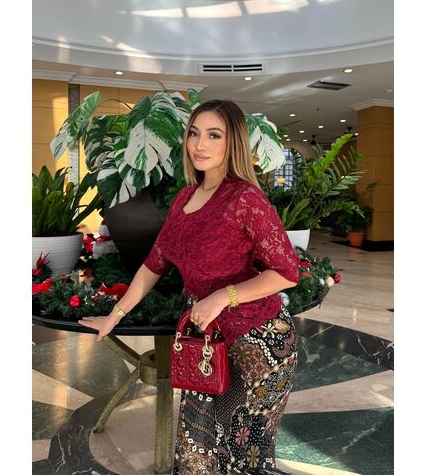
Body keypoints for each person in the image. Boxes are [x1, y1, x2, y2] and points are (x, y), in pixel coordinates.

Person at [79, 99, 300, 474]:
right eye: (194, 133)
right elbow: (154, 264)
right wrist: (114, 316)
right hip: (206, 343)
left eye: (214, 135)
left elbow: (287, 272)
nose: (199, 144)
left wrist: (223, 296)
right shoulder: (184, 198)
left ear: (233, 142)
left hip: (259, 343)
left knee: (242, 456)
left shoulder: (245, 198)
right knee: (195, 452)